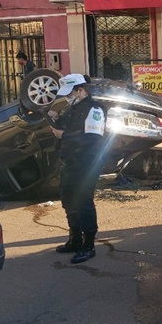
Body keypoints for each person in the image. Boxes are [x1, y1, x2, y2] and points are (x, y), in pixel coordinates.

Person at [48, 74, 106, 264]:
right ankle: (75, 239)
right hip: (70, 162)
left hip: (87, 164)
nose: (67, 97)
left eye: (69, 93)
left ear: (80, 90)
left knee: (83, 203)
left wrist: (64, 135)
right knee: (68, 200)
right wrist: (54, 120)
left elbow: (92, 138)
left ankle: (89, 245)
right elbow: (65, 129)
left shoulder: (94, 109)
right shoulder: (73, 108)